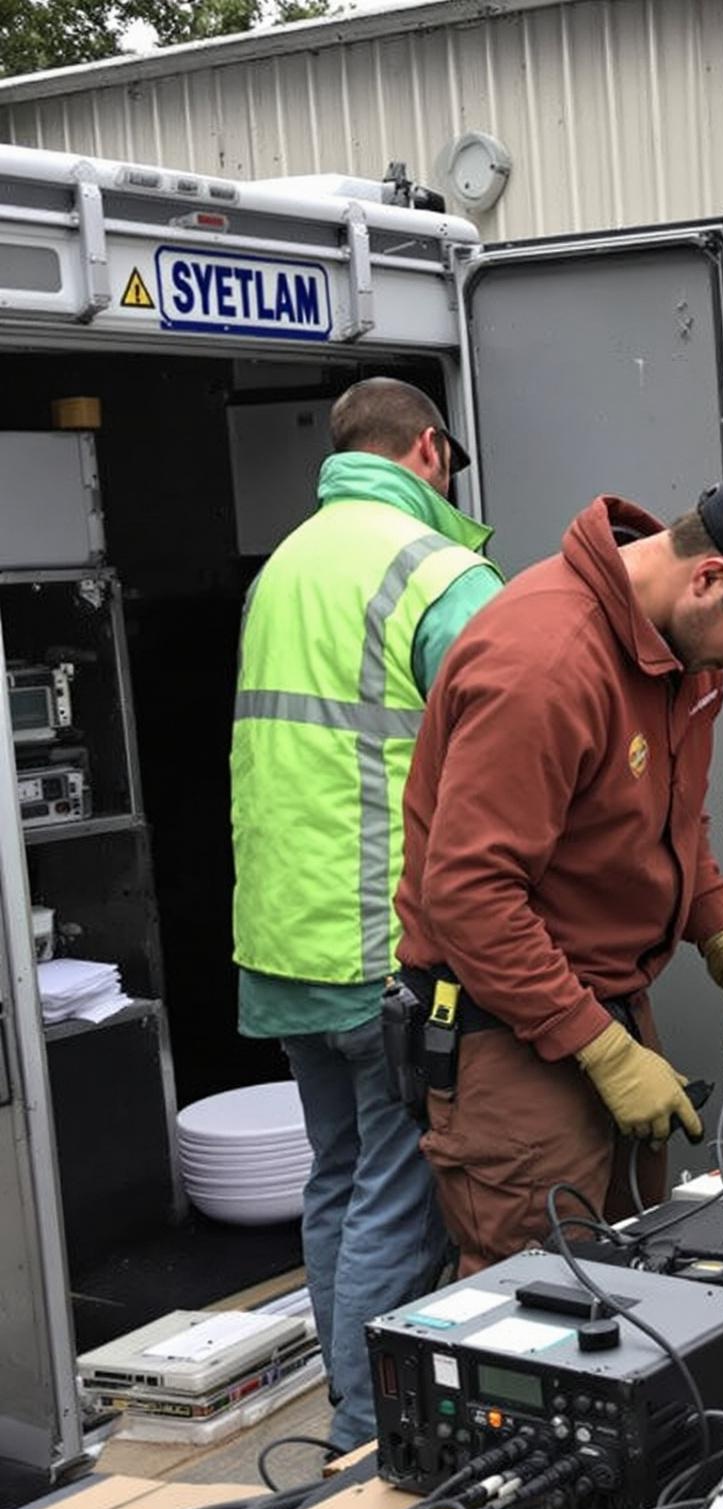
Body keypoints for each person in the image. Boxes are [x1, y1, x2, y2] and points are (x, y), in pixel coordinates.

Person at [395, 479, 723, 1274]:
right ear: (708, 577)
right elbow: (469, 896)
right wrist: (600, 1048)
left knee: (635, 1275)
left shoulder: (681, 653)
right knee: (534, 1295)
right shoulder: (545, 663)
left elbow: (672, 822)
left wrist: (721, 934)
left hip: (606, 1009)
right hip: (515, 1031)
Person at [229, 376, 501, 1452]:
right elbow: (511, 751)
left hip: (284, 941)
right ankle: (364, 1424)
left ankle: (345, 1392)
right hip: (387, 942)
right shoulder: (438, 572)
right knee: (399, 1193)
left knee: (336, 1177)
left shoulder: (281, 569)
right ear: (429, 452)